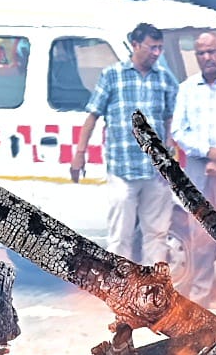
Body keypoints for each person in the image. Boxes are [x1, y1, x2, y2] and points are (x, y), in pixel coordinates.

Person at [72, 23, 179, 266]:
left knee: (156, 236)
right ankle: (122, 285)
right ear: (135, 45)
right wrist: (80, 153)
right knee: (120, 237)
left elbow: (171, 117)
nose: (156, 53)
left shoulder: (164, 79)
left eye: (160, 48)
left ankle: (153, 285)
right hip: (122, 170)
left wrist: (169, 147)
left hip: (155, 172)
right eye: (152, 47)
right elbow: (92, 116)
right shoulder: (112, 75)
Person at [170, 31, 216, 308]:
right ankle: (201, 292)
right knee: (199, 228)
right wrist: (207, 152)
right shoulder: (187, 89)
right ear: (196, 57)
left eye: (212, 51)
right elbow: (179, 130)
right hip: (198, 167)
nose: (207, 57)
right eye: (202, 53)